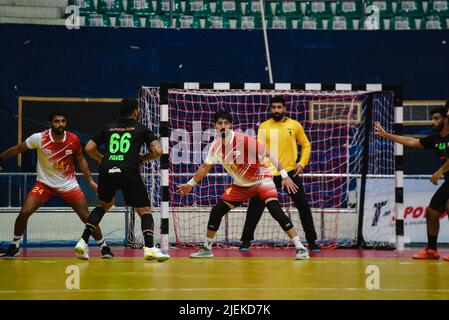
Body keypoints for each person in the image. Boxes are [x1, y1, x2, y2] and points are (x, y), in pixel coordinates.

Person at [177, 110, 310, 260]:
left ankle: (300, 247)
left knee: (275, 209)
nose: (223, 126)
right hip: (241, 185)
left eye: (226, 123)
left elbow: (270, 154)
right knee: (216, 211)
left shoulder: (243, 139)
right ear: (215, 126)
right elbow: (205, 167)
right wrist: (190, 184)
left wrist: (285, 176)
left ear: (231, 125)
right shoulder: (215, 147)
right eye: (220, 123)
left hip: (262, 180)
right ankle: (207, 248)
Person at [0, 111, 113, 259]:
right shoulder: (39, 138)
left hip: (69, 185)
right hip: (44, 184)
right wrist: (0, 158)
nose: (60, 124)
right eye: (56, 121)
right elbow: (18, 149)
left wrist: (90, 181)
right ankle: (15, 246)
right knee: (25, 212)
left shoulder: (74, 140)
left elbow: (81, 160)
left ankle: (104, 247)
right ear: (50, 123)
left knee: (87, 217)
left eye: (63, 121)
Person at [74, 98, 169, 262]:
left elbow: (89, 147)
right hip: (128, 170)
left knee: (103, 205)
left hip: (107, 169)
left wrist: (101, 159)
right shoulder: (141, 128)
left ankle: (83, 242)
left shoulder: (108, 127)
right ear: (135, 111)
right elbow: (158, 150)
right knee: (145, 210)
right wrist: (143, 159)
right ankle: (150, 248)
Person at [240, 96, 319, 251]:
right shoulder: (263, 126)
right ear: (271, 109)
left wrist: (301, 164)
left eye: (279, 107)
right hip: (268, 174)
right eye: (274, 107)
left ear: (284, 108)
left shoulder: (295, 125)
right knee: (255, 207)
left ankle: (312, 241)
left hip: (289, 173)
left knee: (303, 206)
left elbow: (306, 145)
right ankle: (245, 241)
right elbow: (260, 152)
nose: (276, 110)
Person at [375, 106, 449, 261]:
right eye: (432, 118)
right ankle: (431, 250)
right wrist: (388, 135)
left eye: (436, 118)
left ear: (446, 120)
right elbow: (412, 141)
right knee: (432, 213)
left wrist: (439, 172)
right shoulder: (435, 140)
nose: (432, 121)